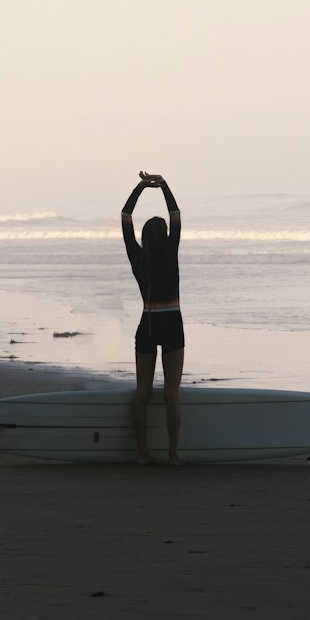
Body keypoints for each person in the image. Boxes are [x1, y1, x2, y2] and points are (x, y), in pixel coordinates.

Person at [121, 171, 184, 465]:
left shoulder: (137, 256)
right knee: (171, 392)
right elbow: (176, 214)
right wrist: (164, 185)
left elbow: (125, 215)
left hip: (146, 324)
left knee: (142, 392)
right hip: (171, 324)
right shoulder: (171, 252)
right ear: (166, 238)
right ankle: (173, 455)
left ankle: (142, 453)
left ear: (145, 238)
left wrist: (141, 187)